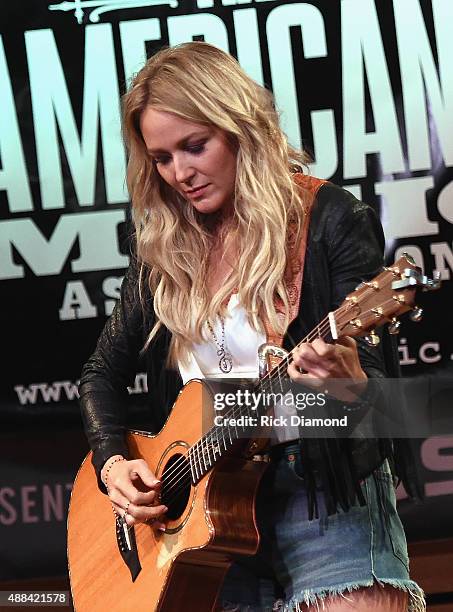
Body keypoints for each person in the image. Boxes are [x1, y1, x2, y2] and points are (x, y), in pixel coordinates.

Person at [79, 42, 425, 611]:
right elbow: (100, 374)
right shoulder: (161, 247)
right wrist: (113, 462)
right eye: (162, 158)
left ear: (241, 128)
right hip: (201, 515)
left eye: (196, 146)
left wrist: (348, 385)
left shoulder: (329, 218)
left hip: (324, 494)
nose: (181, 174)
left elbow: (383, 397)